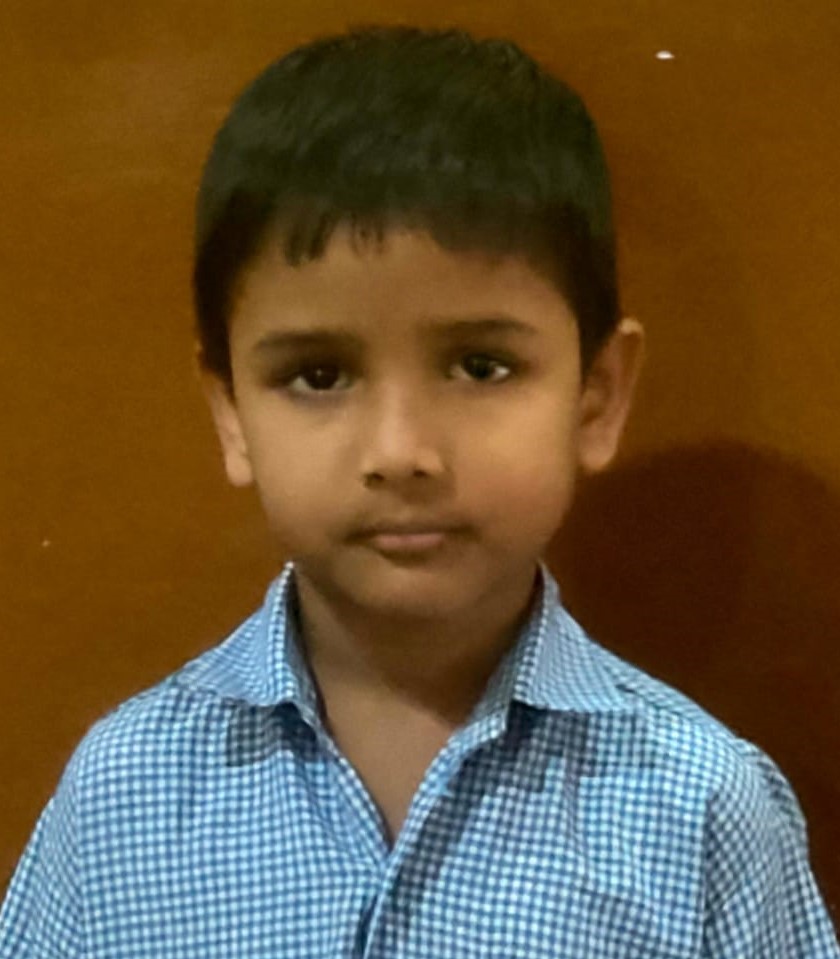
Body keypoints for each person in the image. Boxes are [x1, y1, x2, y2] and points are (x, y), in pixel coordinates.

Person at [1, 23, 837, 958]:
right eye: (319, 375)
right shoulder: (121, 796)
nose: (400, 452)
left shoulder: (705, 810)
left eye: (481, 365)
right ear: (231, 412)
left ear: (597, 398)